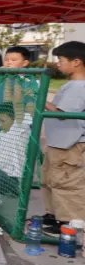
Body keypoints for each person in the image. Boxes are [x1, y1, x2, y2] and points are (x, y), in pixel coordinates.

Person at [39, 41, 85, 235]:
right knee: (50, 179)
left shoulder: (79, 87)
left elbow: (62, 113)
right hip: (59, 142)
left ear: (76, 62)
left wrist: (40, 98)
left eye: (61, 60)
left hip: (70, 144)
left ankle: (68, 222)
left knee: (66, 183)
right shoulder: (71, 85)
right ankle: (53, 214)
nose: (58, 63)